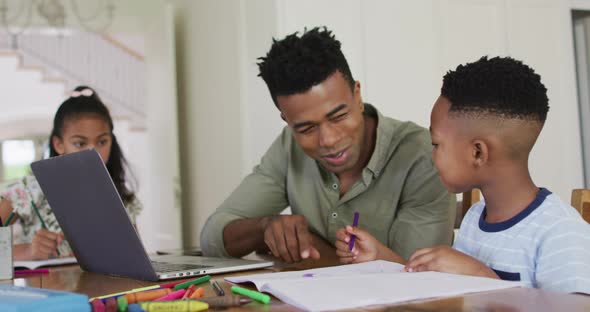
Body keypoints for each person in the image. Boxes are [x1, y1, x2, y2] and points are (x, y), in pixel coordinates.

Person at [200, 27, 455, 263]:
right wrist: (265, 228)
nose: (329, 140)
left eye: (338, 116)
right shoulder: (289, 146)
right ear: (286, 121)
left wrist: (314, 247)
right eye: (306, 128)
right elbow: (212, 237)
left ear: (357, 95)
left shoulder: (424, 156)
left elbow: (417, 277)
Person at [336, 56, 590, 293]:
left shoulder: (559, 232)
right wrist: (382, 257)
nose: (431, 154)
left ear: (478, 152)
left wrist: (482, 277)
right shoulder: (475, 218)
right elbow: (453, 287)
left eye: (436, 144)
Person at [0, 86, 143, 261]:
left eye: (102, 141)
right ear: (59, 144)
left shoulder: (121, 198)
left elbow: (135, 260)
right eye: (79, 143)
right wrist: (28, 251)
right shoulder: (27, 190)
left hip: (104, 288)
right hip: (43, 288)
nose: (93, 152)